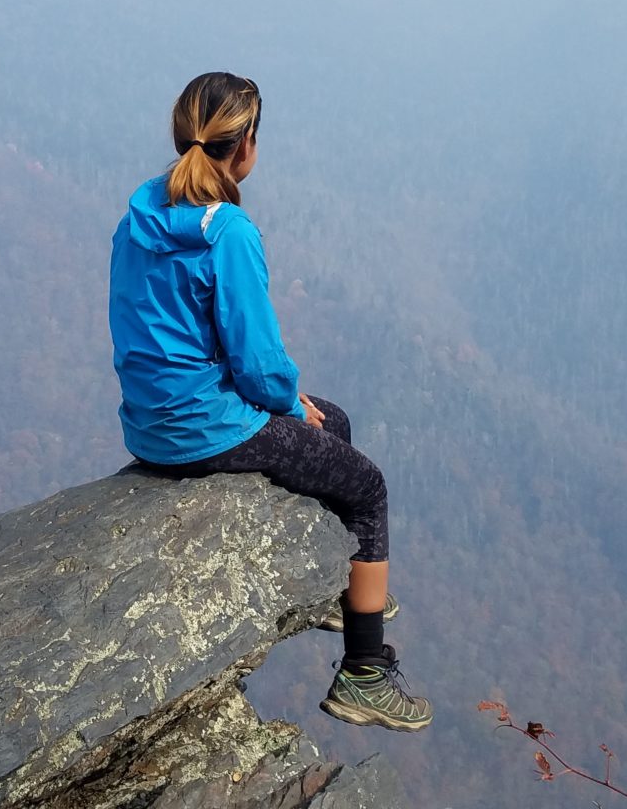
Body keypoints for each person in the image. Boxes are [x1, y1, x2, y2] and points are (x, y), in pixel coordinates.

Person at [107, 71, 431, 732]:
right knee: (366, 487)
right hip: (206, 428)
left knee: (332, 421)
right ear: (247, 143)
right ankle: (365, 672)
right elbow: (257, 364)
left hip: (150, 425)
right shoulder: (228, 232)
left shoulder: (140, 217)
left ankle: (338, 588)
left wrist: (289, 401)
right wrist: (286, 400)